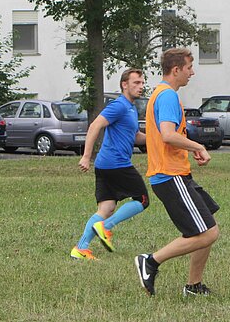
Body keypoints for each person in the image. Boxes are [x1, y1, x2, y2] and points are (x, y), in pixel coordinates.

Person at [134, 48, 219, 297]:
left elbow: (168, 138)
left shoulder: (162, 94)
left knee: (207, 224)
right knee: (208, 232)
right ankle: (150, 261)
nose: (192, 73)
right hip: (169, 176)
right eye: (189, 67)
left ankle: (194, 286)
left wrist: (189, 149)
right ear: (176, 69)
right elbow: (167, 134)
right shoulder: (168, 96)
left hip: (178, 173)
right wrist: (198, 145)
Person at [71, 68, 149, 260]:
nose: (141, 87)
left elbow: (136, 137)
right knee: (142, 200)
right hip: (116, 163)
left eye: (142, 83)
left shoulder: (130, 108)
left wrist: (157, 140)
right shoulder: (119, 105)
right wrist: (86, 156)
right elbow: (95, 125)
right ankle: (105, 227)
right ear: (124, 85)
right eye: (136, 83)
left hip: (106, 165)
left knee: (106, 208)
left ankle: (80, 248)